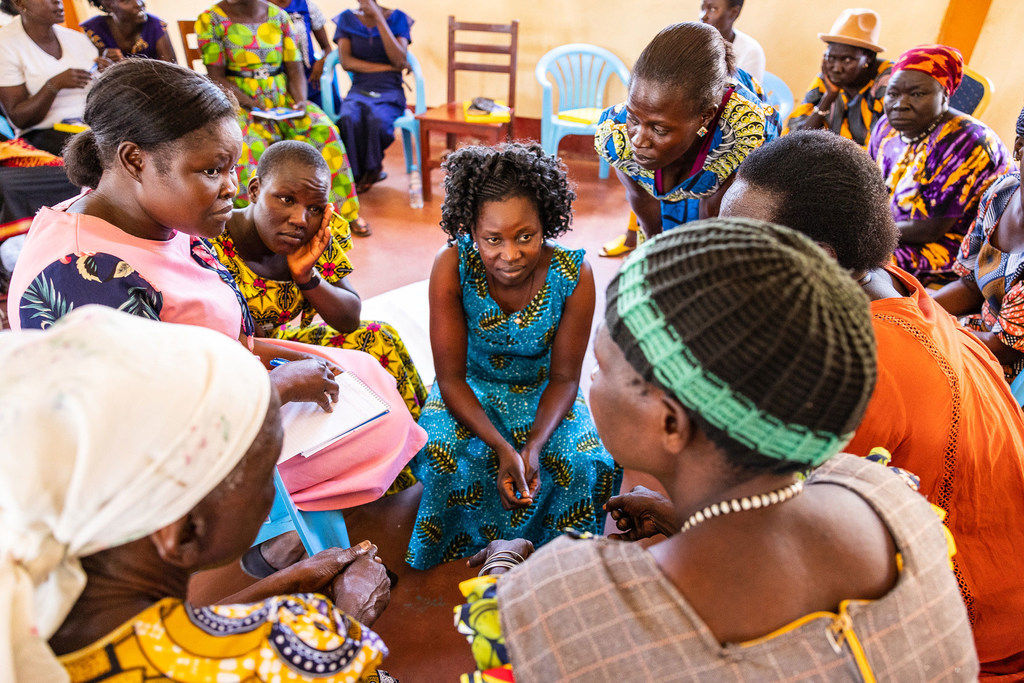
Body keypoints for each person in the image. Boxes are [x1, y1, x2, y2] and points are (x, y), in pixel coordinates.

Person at [455, 219, 978, 681]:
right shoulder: (889, 497)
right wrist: (687, 517)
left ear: (669, 421)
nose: (592, 381)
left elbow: (530, 642)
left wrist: (506, 564)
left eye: (603, 368)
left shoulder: (568, 600)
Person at [7, 59, 425, 514]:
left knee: (370, 372)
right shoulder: (82, 274)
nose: (228, 188)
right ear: (134, 160)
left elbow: (213, 333)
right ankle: (281, 536)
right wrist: (279, 387)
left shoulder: (161, 219)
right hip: (181, 470)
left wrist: (280, 357)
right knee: (376, 420)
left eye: (231, 170)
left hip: (232, 381)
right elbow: (145, 437)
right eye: (211, 171)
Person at [719, 130, 1024, 675]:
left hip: (977, 641)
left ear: (816, 256)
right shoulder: (897, 290)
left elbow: (788, 539)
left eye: (741, 243)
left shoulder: (853, 372)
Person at [0, 305, 396, 683]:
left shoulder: (29, 590)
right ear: (183, 530)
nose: (273, 495)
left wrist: (283, 583)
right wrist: (348, 623)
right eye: (265, 475)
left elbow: (155, 639)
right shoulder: (289, 660)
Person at [406, 143, 620, 570]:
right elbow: (449, 378)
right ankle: (471, 552)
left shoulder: (574, 275)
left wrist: (534, 445)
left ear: (547, 223)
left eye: (526, 236)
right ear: (470, 229)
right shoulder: (451, 264)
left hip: (545, 394)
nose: (510, 254)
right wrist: (503, 446)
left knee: (582, 464)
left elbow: (564, 378)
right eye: (492, 240)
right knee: (446, 454)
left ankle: (554, 561)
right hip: (470, 390)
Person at [210, 140, 427, 417]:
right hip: (232, 366)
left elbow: (348, 319)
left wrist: (306, 276)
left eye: (314, 208)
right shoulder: (213, 241)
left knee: (379, 337)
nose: (301, 219)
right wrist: (310, 361)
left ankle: (417, 433)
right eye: (286, 199)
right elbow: (226, 342)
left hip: (279, 347)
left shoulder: (314, 236)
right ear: (254, 190)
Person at [594, 22, 779, 257]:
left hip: (720, 197)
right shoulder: (616, 136)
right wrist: (654, 252)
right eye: (634, 118)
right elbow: (642, 198)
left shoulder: (744, 130)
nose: (639, 140)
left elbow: (713, 211)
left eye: (659, 129)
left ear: (705, 117)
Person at [196, 0, 371, 237]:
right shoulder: (211, 20)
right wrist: (253, 105)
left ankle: (341, 215)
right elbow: (216, 77)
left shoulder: (279, 17)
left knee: (324, 130)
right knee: (247, 146)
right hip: (240, 104)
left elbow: (294, 67)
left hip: (283, 100)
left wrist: (299, 102)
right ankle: (254, 226)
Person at [870, 44, 1012, 286]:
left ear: (945, 96)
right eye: (893, 94)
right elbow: (871, 187)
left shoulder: (967, 142)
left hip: (954, 248)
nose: (900, 104)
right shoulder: (886, 127)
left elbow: (930, 230)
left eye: (916, 94)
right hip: (890, 229)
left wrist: (864, 233)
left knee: (860, 265)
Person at [933, 104, 1024, 382]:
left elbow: (1004, 350)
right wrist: (919, 309)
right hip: (974, 334)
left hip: (1005, 371)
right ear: (1019, 147)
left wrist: (929, 331)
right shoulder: (1001, 193)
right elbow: (971, 284)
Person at [0, 0, 108, 155]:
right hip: (43, 134)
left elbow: (99, 94)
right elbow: (20, 119)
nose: (57, 1)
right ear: (19, 3)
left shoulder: (78, 40)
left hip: (93, 126)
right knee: (96, 152)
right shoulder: (5, 45)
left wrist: (109, 72)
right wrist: (53, 85)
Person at [332, 0, 412, 193]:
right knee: (348, 118)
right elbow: (346, 62)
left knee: (378, 120)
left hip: (389, 89)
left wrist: (377, 17)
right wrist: (386, 67)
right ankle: (356, 175)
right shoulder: (346, 18)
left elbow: (399, 59)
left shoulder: (397, 17)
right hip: (360, 87)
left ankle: (372, 170)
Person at [784, 8, 892, 148]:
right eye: (831, 57)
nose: (836, 68)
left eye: (847, 60)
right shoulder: (825, 80)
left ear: (869, 58)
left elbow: (881, 146)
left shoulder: (887, 82)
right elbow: (794, 140)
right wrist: (829, 97)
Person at [268, 0, 331, 106]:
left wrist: (321, 61)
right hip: (276, 79)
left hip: (309, 77)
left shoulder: (306, 5)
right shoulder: (260, 9)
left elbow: (327, 47)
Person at [81, 0, 177, 62]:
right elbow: (89, 68)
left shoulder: (155, 25)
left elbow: (172, 70)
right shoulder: (94, 29)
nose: (138, 4)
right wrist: (102, 60)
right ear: (109, 6)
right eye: (127, 1)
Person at [699, 0, 764, 81]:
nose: (703, 16)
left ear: (734, 13)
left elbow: (747, 91)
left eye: (712, 9)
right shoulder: (692, 44)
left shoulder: (751, 51)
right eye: (702, 8)